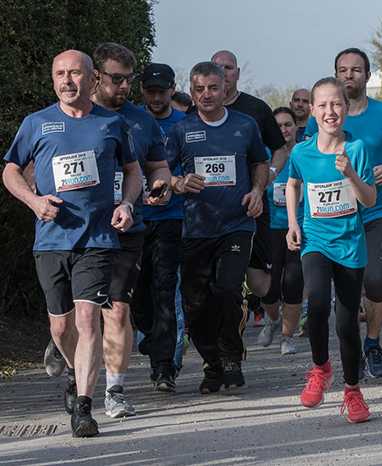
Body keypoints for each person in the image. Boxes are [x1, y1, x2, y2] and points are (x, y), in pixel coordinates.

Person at [3, 50, 140, 437]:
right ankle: (73, 371)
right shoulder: (37, 123)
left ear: (92, 78)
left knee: (87, 317)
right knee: (62, 328)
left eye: (75, 73)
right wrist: (34, 201)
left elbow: (133, 170)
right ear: (53, 80)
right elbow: (10, 170)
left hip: (97, 237)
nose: (67, 81)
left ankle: (84, 406)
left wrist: (127, 203)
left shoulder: (112, 123)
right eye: (60, 74)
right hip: (50, 239)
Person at [305, 48, 382, 378]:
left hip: (375, 210)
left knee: (378, 281)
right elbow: (309, 162)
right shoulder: (324, 117)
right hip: (335, 217)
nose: (349, 75)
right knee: (339, 294)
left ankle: (372, 341)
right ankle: (347, 349)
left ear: (367, 75)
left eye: (356, 70)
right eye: (343, 70)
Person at [167, 61, 268, 394]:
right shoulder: (181, 129)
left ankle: (231, 358)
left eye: (212, 87)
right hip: (196, 229)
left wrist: (256, 191)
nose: (206, 95)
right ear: (192, 91)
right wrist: (179, 183)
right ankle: (212, 363)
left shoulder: (245, 125)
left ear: (225, 88)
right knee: (195, 305)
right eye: (199, 89)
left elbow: (260, 162)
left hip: (236, 224)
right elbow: (160, 173)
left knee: (226, 289)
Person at [286, 77, 376, 423]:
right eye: (322, 105)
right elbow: (293, 183)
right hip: (316, 240)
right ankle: (320, 368)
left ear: (346, 108)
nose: (330, 111)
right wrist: (294, 223)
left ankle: (353, 392)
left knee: (347, 322)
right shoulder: (302, 151)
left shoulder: (358, 149)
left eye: (336, 104)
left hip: (350, 244)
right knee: (319, 302)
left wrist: (350, 173)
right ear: (312, 110)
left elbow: (368, 199)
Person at [91, 43, 172, 418]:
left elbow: (158, 166)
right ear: (96, 76)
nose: (123, 87)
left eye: (128, 80)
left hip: (127, 226)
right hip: (78, 230)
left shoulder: (142, 120)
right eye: (116, 79)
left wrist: (159, 184)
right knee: (75, 318)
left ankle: (114, 390)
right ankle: (68, 355)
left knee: (118, 309)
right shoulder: (72, 116)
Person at [211, 50, 289, 385]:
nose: (223, 73)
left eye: (228, 68)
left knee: (261, 283)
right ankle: (226, 351)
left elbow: (281, 148)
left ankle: (272, 314)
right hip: (211, 213)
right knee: (222, 284)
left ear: (237, 73)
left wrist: (267, 176)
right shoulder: (199, 112)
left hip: (252, 204)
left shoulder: (255, 110)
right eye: (217, 68)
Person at [133, 62, 188, 390]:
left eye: (162, 91)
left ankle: (164, 367)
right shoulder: (130, 120)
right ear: (142, 90)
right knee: (139, 292)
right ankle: (152, 336)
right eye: (150, 91)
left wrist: (173, 185)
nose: (156, 97)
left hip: (171, 217)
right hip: (134, 219)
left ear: (171, 89)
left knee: (165, 290)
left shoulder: (184, 123)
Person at [258, 107, 305, 355]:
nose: (284, 130)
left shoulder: (305, 153)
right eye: (278, 126)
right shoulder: (266, 156)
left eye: (288, 125)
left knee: (294, 282)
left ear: (296, 127)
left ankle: (287, 336)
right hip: (270, 229)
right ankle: (272, 319)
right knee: (270, 288)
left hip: (299, 227)